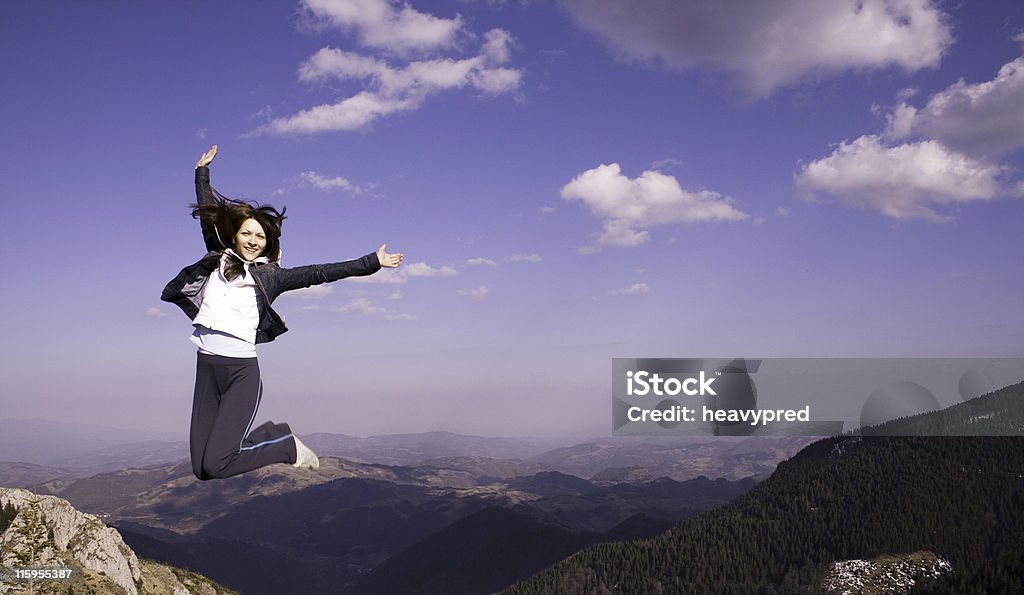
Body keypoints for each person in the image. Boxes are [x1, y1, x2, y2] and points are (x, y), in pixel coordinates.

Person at [162, 145, 403, 480]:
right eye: (246, 232)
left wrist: (372, 263)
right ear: (235, 234)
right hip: (206, 368)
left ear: (267, 242)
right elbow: (207, 213)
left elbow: (320, 272)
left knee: (218, 463)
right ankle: (271, 436)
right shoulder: (218, 258)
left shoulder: (271, 277)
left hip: (240, 374)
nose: (252, 240)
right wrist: (201, 173)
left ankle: (286, 446)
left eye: (259, 236)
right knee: (203, 469)